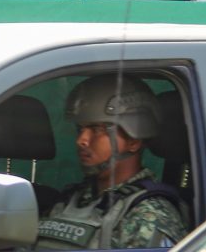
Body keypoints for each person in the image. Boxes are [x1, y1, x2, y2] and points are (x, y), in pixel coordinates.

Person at [36, 75, 189, 249]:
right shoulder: (70, 200)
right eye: (80, 129)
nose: (82, 140)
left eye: (97, 129)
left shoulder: (150, 216)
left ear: (133, 141)